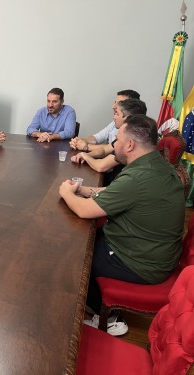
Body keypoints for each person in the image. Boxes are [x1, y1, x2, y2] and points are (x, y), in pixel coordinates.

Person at [59, 114, 185, 336]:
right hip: (156, 252)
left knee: (72, 256)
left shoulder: (138, 177)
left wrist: (66, 193)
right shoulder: (156, 164)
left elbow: (83, 210)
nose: (113, 144)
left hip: (141, 262)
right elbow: (117, 193)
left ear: (129, 144)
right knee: (84, 237)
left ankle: (107, 318)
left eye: (117, 139)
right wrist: (84, 190)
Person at [71, 99, 147, 184]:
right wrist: (86, 155)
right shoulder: (126, 134)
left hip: (121, 184)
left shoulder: (130, 140)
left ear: (128, 118)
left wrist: (85, 157)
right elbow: (104, 150)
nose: (113, 117)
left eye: (117, 113)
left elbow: (101, 166)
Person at [69, 89, 140, 151]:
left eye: (119, 103)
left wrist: (86, 146)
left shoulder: (135, 130)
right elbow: (98, 137)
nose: (113, 107)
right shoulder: (115, 122)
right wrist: (79, 142)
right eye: (115, 102)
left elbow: (113, 148)